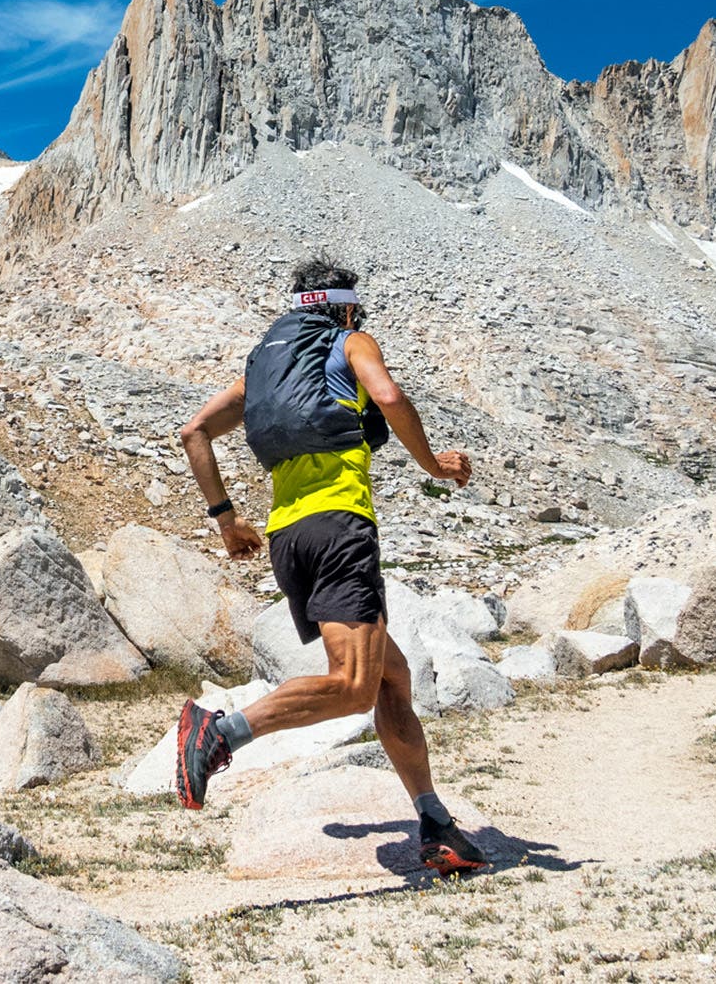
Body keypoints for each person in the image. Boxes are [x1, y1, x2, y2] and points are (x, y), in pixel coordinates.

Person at [169, 257, 487, 874]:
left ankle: (435, 824)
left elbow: (194, 433)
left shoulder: (261, 369)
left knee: (391, 678)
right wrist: (433, 465)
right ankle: (219, 733)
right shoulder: (350, 341)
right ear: (344, 307)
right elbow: (389, 396)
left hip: (288, 537)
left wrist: (226, 520)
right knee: (353, 685)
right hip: (341, 527)